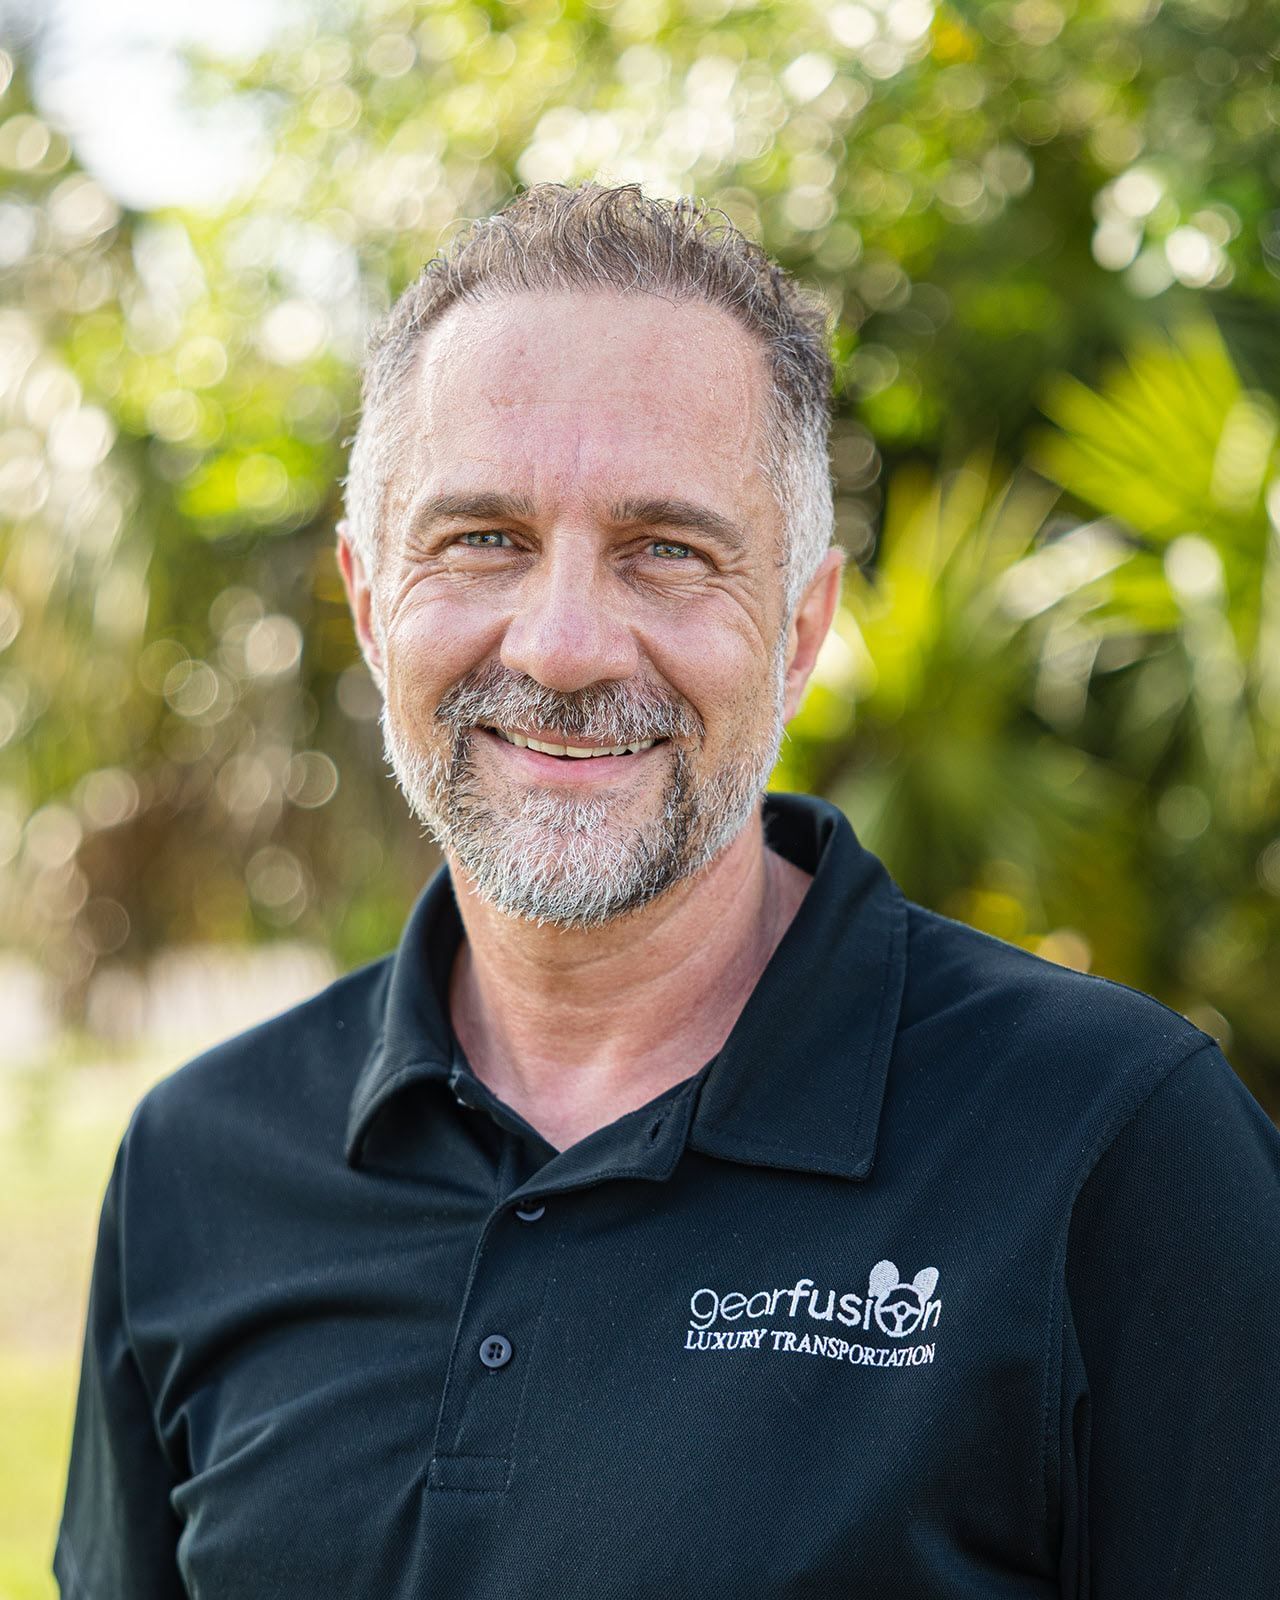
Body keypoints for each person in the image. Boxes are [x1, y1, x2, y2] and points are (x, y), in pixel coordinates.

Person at [56, 182, 1279, 1599]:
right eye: (483, 540)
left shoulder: (1115, 1150)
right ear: (373, 601)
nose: (567, 646)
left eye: (667, 551)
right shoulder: (197, 1167)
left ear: (803, 629)